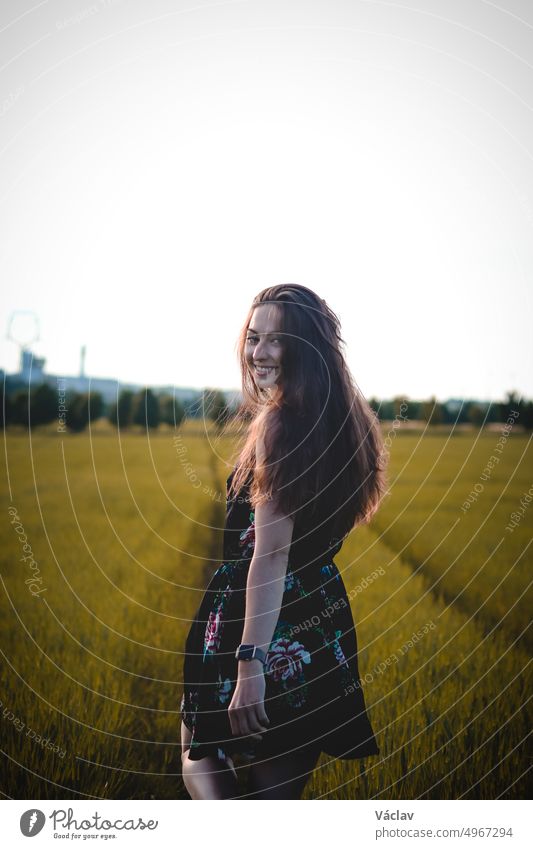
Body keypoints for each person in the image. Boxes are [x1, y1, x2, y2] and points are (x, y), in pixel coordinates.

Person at [180, 284, 388, 799]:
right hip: (319, 626)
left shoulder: (278, 424)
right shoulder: (350, 422)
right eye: (254, 337)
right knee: (276, 797)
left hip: (259, 625)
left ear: (307, 345)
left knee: (194, 751)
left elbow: (270, 554)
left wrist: (250, 664)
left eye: (277, 339)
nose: (259, 352)